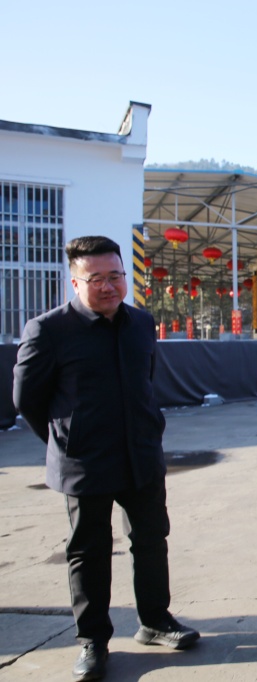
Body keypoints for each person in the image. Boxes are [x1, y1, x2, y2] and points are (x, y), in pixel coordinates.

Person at [13, 236, 199, 682]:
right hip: (85, 462)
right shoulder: (48, 330)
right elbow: (27, 398)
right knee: (89, 551)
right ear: (75, 282)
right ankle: (92, 640)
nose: (109, 286)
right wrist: (64, 440)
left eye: (115, 276)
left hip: (141, 455)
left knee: (151, 540)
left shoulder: (141, 323)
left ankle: (155, 621)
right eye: (96, 278)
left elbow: (145, 380)